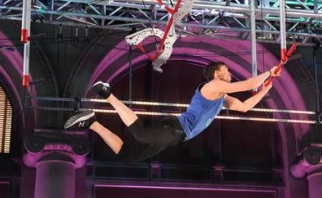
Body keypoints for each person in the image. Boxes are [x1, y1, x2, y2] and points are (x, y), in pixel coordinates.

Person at [64, 62, 280, 162]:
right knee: (141, 134)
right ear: (217, 75)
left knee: (128, 155)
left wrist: (266, 89)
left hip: (176, 136)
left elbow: (244, 106)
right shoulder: (211, 87)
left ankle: (91, 122)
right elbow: (244, 85)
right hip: (175, 129)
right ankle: (107, 93)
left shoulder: (221, 97)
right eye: (227, 71)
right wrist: (270, 71)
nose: (230, 74)